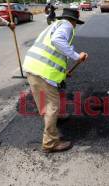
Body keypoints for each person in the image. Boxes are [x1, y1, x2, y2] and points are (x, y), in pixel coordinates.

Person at [23, 8, 88, 153]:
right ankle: (50, 143)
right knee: (52, 106)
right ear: (74, 21)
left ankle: (55, 118)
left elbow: (52, 52)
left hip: (32, 66)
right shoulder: (67, 26)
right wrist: (77, 56)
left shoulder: (54, 25)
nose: (75, 25)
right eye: (76, 23)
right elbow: (57, 41)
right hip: (42, 71)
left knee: (45, 103)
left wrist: (63, 72)